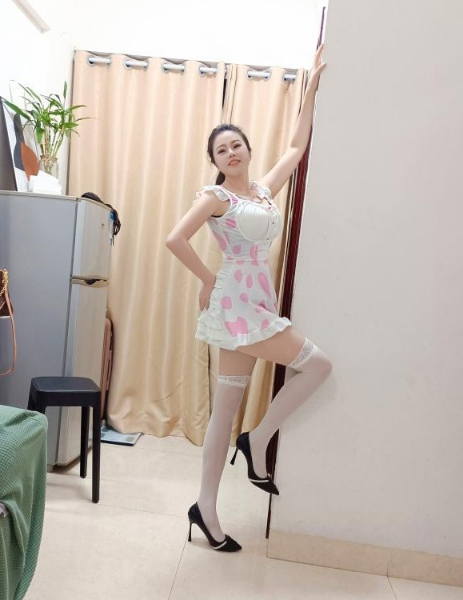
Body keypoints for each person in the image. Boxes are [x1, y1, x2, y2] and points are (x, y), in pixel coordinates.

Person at [165, 45, 331, 552]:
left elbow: (296, 148)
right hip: (237, 304)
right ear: (215, 162)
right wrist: (208, 279)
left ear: (248, 150)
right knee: (318, 366)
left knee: (226, 409)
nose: (231, 153)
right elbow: (175, 239)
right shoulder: (216, 197)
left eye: (236, 145)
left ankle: (205, 507)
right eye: (222, 150)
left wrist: (311, 90)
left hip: (255, 303)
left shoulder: (261, 191)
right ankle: (256, 441)